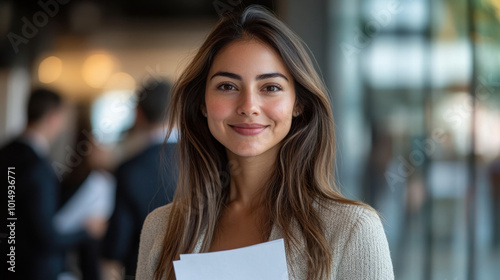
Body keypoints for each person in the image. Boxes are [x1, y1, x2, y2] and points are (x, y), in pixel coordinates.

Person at [136, 5, 394, 280]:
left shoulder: (352, 229)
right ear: (202, 103)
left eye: (270, 87)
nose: (249, 106)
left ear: (299, 104)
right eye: (227, 86)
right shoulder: (161, 228)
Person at [0, 88, 105, 280]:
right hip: (32, 269)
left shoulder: (5, 153)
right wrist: (87, 230)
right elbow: (45, 236)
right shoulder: (37, 168)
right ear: (53, 117)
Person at [103, 80, 178, 278]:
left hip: (142, 269)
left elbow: (117, 242)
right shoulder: (202, 164)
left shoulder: (130, 169)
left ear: (138, 113)